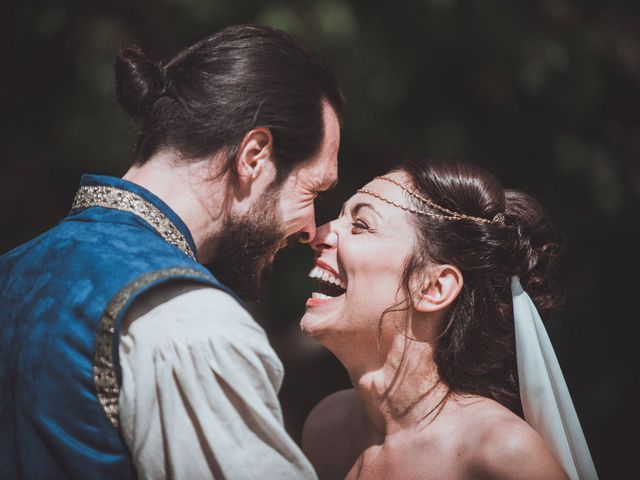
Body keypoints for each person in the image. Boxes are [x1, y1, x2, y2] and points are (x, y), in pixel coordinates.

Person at [0, 24, 344, 479]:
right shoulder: (192, 324)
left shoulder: (13, 269)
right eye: (313, 190)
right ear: (254, 155)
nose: (310, 228)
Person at [301, 158, 598, 480]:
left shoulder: (502, 454)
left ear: (433, 288)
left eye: (361, 225)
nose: (319, 232)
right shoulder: (326, 428)